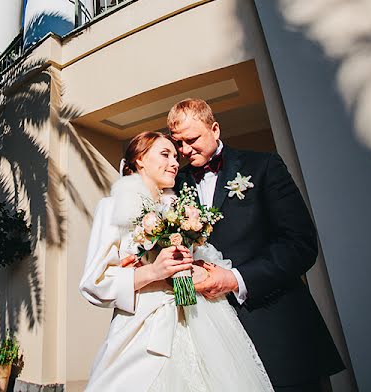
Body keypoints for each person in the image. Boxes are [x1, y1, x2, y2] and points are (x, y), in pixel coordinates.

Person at [168, 98, 344, 392]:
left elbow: (299, 244)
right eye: (178, 144)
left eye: (191, 140)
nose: (184, 151)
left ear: (215, 129)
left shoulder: (263, 166)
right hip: (212, 339)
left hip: (278, 334)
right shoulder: (175, 184)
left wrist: (235, 279)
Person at [79, 131, 273, 391]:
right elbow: (95, 281)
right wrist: (153, 272)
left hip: (200, 318)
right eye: (165, 154)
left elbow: (207, 258)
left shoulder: (180, 209)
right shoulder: (114, 207)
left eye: (174, 156)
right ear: (139, 160)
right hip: (144, 326)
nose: (174, 162)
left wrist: (200, 269)